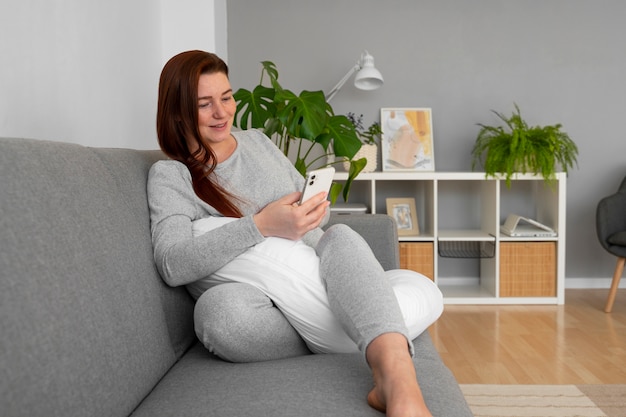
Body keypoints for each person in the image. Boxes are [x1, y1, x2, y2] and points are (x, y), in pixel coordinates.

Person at [147, 50, 444, 417]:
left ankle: (397, 378)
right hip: (264, 305)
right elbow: (172, 262)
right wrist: (262, 225)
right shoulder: (172, 175)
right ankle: (370, 326)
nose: (222, 113)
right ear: (178, 112)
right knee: (218, 316)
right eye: (204, 104)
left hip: (320, 272)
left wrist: (311, 210)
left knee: (342, 238)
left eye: (226, 97)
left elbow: (313, 214)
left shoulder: (257, 141)